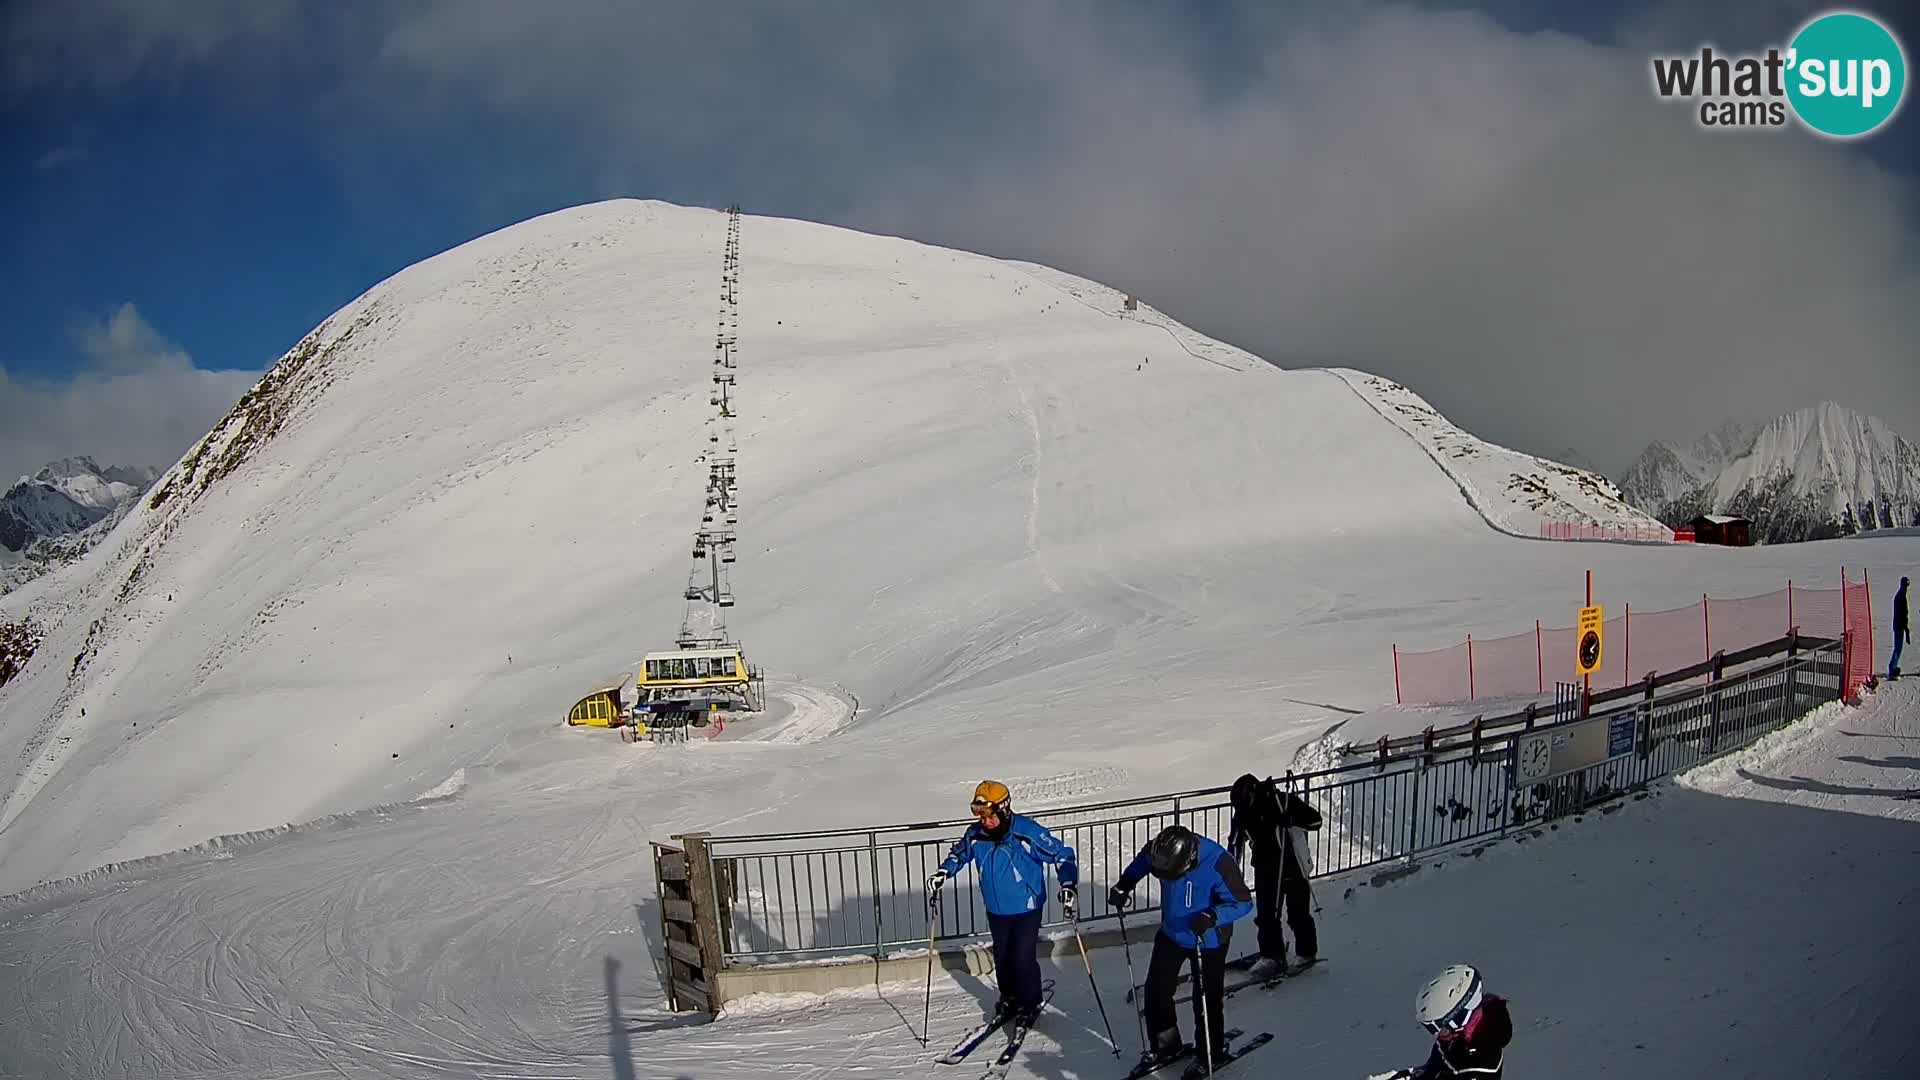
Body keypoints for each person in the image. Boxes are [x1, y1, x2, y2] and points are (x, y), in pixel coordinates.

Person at [926, 780, 1079, 1027]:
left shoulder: (1025, 831)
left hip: (1026, 906)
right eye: (980, 816)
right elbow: (959, 854)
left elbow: (1062, 854)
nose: (984, 822)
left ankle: (1029, 1003)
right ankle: (1009, 998)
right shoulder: (976, 835)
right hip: (996, 908)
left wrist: (1068, 884)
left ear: (1003, 809)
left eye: (989, 815)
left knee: (1021, 957)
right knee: (1003, 957)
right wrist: (944, 872)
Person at [1107, 823, 1253, 1067]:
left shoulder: (1218, 861)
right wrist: (1125, 883)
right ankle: (1166, 1045)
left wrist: (1213, 916)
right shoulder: (1161, 850)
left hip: (1208, 940)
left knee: (1206, 1000)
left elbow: (1243, 902)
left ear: (1189, 860)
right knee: (1156, 992)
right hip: (1172, 933)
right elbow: (1144, 861)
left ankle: (1210, 1053)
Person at [1226, 772, 1322, 979]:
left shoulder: (1282, 801)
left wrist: (1291, 819)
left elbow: (1316, 821)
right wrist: (1230, 869)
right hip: (1264, 869)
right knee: (1266, 915)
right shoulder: (1243, 813)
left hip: (1292, 866)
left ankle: (1306, 952)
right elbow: (1235, 843)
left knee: (1298, 913)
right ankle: (1272, 955)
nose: (1242, 809)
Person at [1369, 964, 1512, 1080]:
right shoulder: (1454, 1037)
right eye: (1431, 1028)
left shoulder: (1482, 1061)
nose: (1437, 1034)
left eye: (1440, 1026)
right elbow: (1433, 1068)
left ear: (1461, 1016)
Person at [1891, 576, 1910, 680]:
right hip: (1899, 626)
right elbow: (1902, 614)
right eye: (1905, 585)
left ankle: (1893, 667)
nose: (1906, 588)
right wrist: (1904, 627)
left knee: (1898, 648)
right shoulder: (1900, 597)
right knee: (1898, 648)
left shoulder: (1901, 595)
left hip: (1899, 625)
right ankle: (1892, 669)